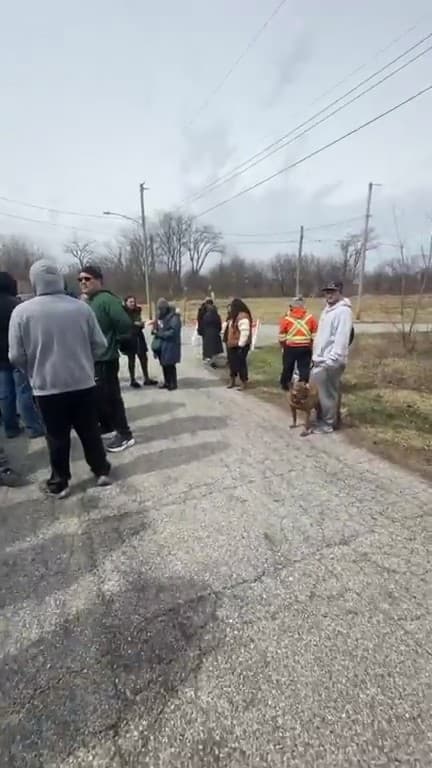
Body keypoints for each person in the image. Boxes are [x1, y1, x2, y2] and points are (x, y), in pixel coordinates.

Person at [9, 260, 111, 498]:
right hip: (82, 382)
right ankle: (101, 470)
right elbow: (100, 345)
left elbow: (15, 355)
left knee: (56, 436)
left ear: (34, 281)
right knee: (89, 430)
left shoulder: (22, 312)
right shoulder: (81, 308)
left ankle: (60, 482)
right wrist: (85, 362)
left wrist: (31, 371)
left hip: (46, 386)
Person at [78, 264, 135, 452]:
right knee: (100, 397)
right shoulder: (90, 301)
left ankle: (125, 434)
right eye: (80, 279)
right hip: (93, 359)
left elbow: (124, 323)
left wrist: (115, 342)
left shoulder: (106, 300)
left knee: (111, 397)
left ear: (99, 281)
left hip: (106, 358)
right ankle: (108, 426)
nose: (83, 282)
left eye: (87, 279)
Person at [0, 271, 45, 439]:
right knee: (23, 391)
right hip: (17, 353)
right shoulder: (17, 306)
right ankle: (33, 427)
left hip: (0, 358)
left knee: (5, 393)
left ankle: (10, 427)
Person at [311, 280, 353, 434]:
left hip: (331, 361)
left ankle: (328, 423)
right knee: (318, 394)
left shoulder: (343, 311)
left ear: (339, 292)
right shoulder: (327, 310)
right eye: (327, 292)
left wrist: (331, 360)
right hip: (319, 360)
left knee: (327, 395)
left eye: (332, 292)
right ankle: (322, 420)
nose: (329, 295)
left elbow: (342, 338)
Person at [278, 296, 318, 390]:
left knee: (287, 367)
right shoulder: (310, 318)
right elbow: (315, 334)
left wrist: (283, 345)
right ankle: (303, 384)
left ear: (292, 307)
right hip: (305, 347)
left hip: (290, 347)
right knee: (304, 368)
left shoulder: (286, 319)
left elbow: (282, 335)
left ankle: (285, 384)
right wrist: (312, 345)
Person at [122, 295, 157, 388]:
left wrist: (141, 324)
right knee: (131, 359)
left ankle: (146, 378)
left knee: (143, 357)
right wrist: (135, 324)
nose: (132, 303)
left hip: (139, 336)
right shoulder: (123, 312)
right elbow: (125, 323)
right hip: (129, 337)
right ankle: (132, 380)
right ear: (126, 303)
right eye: (130, 302)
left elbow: (139, 322)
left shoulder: (137, 310)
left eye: (133, 301)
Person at [151, 298, 181, 390]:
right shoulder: (160, 317)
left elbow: (174, 332)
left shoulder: (174, 317)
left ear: (166, 308)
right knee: (164, 364)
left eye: (161, 309)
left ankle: (173, 383)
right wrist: (154, 330)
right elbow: (158, 327)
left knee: (170, 364)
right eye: (159, 309)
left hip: (171, 344)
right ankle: (167, 382)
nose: (160, 310)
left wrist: (160, 334)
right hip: (162, 344)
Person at [225, 298, 252, 390]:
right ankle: (232, 380)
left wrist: (241, 345)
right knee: (232, 363)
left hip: (240, 345)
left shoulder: (243, 317)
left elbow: (245, 332)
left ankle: (243, 381)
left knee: (241, 363)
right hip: (232, 344)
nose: (229, 308)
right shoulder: (233, 316)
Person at [198, 298, 223, 366]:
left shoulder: (204, 311)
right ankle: (209, 358)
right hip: (208, 330)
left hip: (206, 330)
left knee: (207, 345)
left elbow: (200, 320)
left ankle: (207, 357)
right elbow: (219, 324)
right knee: (210, 345)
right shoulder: (211, 312)